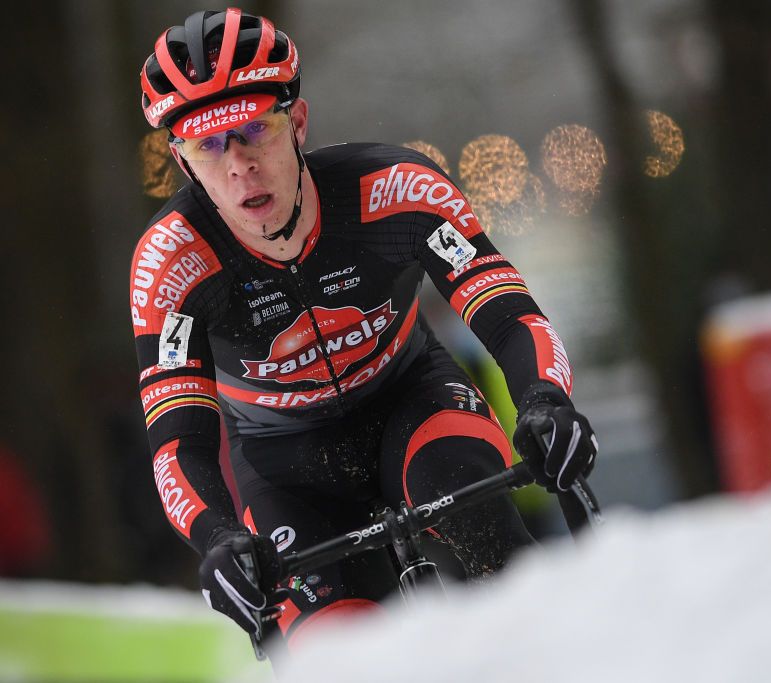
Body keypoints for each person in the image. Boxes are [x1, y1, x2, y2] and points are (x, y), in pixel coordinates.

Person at [131, 7, 598, 659]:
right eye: (207, 144)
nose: (237, 166)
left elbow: (509, 311)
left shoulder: (394, 189)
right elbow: (176, 438)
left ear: (296, 123)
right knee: (337, 656)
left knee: (475, 510)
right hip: (282, 465)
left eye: (251, 132)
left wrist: (545, 400)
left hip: (413, 402)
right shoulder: (171, 263)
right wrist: (214, 537)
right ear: (184, 163)